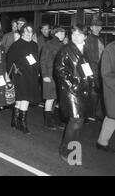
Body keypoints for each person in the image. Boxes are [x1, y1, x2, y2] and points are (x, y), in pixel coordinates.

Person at [55, 24, 96, 164]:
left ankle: (74, 149)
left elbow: (89, 68)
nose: (75, 36)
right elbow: (60, 70)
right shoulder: (66, 49)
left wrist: (92, 81)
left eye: (79, 34)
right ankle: (64, 149)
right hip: (72, 90)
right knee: (75, 120)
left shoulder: (86, 50)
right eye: (73, 34)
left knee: (80, 121)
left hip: (84, 90)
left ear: (85, 36)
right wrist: (73, 84)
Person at [7, 23, 40, 134]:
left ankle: (17, 121)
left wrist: (38, 72)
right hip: (19, 75)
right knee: (21, 98)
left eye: (31, 31)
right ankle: (21, 122)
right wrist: (7, 76)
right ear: (22, 32)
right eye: (26, 31)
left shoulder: (34, 45)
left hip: (31, 75)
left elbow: (36, 60)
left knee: (24, 98)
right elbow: (9, 61)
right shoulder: (16, 45)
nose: (29, 34)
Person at [40, 26, 66, 130]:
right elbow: (43, 60)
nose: (64, 35)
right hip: (50, 75)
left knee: (56, 98)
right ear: (56, 33)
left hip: (56, 75)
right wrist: (45, 75)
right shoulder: (49, 44)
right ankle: (48, 121)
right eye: (62, 33)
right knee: (51, 98)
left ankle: (55, 119)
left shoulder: (61, 45)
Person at [96, 39, 115, 153]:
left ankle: (102, 142)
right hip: (113, 90)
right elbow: (106, 74)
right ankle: (102, 142)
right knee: (112, 116)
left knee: (112, 117)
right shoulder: (110, 49)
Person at [85, 18, 105, 121]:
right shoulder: (88, 39)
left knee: (97, 92)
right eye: (95, 26)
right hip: (92, 69)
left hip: (100, 69)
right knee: (92, 92)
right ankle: (89, 113)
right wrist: (89, 72)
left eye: (99, 26)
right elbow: (86, 57)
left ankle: (95, 113)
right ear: (91, 28)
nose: (97, 28)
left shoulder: (100, 39)